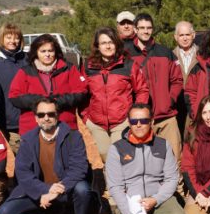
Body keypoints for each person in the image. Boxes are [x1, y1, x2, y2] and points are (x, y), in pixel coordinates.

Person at [0, 98, 99, 214]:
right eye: (41, 114)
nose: (46, 118)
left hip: (66, 190)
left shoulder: (73, 136)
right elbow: (23, 173)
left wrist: (57, 190)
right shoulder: (28, 140)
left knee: (82, 189)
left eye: (51, 114)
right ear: (36, 118)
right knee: (6, 212)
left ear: (57, 115)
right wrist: (44, 190)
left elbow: (79, 169)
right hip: (43, 191)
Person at [105, 102, 185, 214]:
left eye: (144, 120)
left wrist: (156, 199)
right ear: (129, 122)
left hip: (156, 198)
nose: (139, 125)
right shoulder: (117, 149)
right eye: (134, 121)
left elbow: (172, 179)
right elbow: (115, 187)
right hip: (131, 202)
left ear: (152, 121)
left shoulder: (163, 145)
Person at [82, 27, 149, 163]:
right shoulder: (88, 66)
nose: (108, 46)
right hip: (96, 123)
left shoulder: (128, 65)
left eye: (111, 42)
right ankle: (110, 184)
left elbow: (142, 90)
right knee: (104, 156)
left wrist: (135, 114)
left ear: (117, 43)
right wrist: (86, 117)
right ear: (97, 46)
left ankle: (121, 184)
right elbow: (82, 93)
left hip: (121, 121)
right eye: (103, 43)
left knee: (119, 157)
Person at [125, 13, 184, 162]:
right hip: (140, 119)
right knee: (143, 161)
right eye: (142, 28)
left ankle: (176, 186)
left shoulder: (165, 53)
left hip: (166, 117)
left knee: (173, 157)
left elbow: (177, 80)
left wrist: (169, 100)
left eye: (149, 28)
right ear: (135, 29)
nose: (146, 31)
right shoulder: (126, 54)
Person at [9, 34, 87, 134]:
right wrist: (41, 102)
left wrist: (57, 102)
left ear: (56, 51)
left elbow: (81, 91)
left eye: (50, 51)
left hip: (65, 125)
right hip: (32, 128)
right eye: (43, 51)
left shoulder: (68, 68)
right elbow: (14, 96)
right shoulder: (25, 71)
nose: (47, 54)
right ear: (36, 52)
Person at [0, 23, 27, 153]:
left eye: (16, 38)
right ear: (1, 38)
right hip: (9, 120)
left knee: (37, 153)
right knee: (22, 155)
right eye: (8, 37)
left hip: (31, 116)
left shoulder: (28, 59)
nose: (13, 41)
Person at [173, 20, 198, 135]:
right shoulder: (170, 56)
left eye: (187, 34)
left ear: (193, 35)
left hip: (196, 103)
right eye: (181, 35)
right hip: (177, 104)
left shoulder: (203, 55)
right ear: (175, 37)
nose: (185, 38)